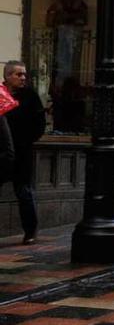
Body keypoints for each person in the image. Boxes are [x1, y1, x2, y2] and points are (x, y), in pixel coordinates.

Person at [3, 61, 46, 245]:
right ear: (7, 76)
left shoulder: (30, 96)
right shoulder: (0, 94)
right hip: (2, 152)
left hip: (22, 152)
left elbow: (39, 124)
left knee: (24, 192)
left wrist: (26, 140)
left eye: (24, 74)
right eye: (18, 74)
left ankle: (30, 231)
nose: (22, 78)